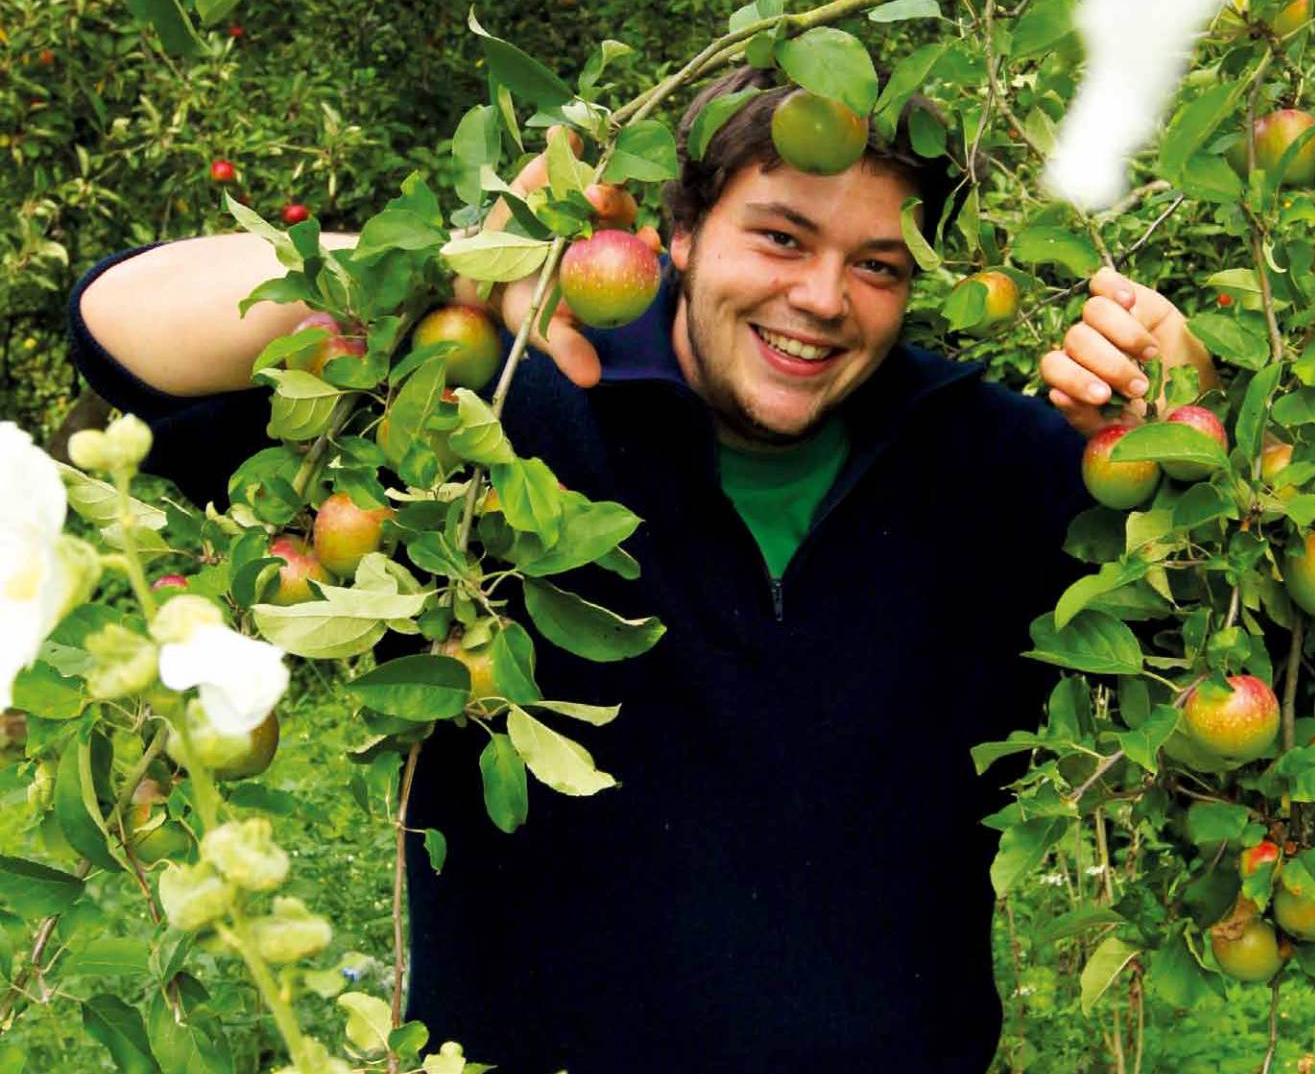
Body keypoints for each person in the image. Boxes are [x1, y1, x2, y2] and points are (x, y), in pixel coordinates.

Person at [70, 65, 1215, 1072]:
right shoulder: (503, 414)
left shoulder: (999, 467)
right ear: (682, 231)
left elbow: (1248, 679)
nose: (822, 298)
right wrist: (445, 271)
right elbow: (122, 328)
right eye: (781, 239)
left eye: (876, 263)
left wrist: (1184, 436)